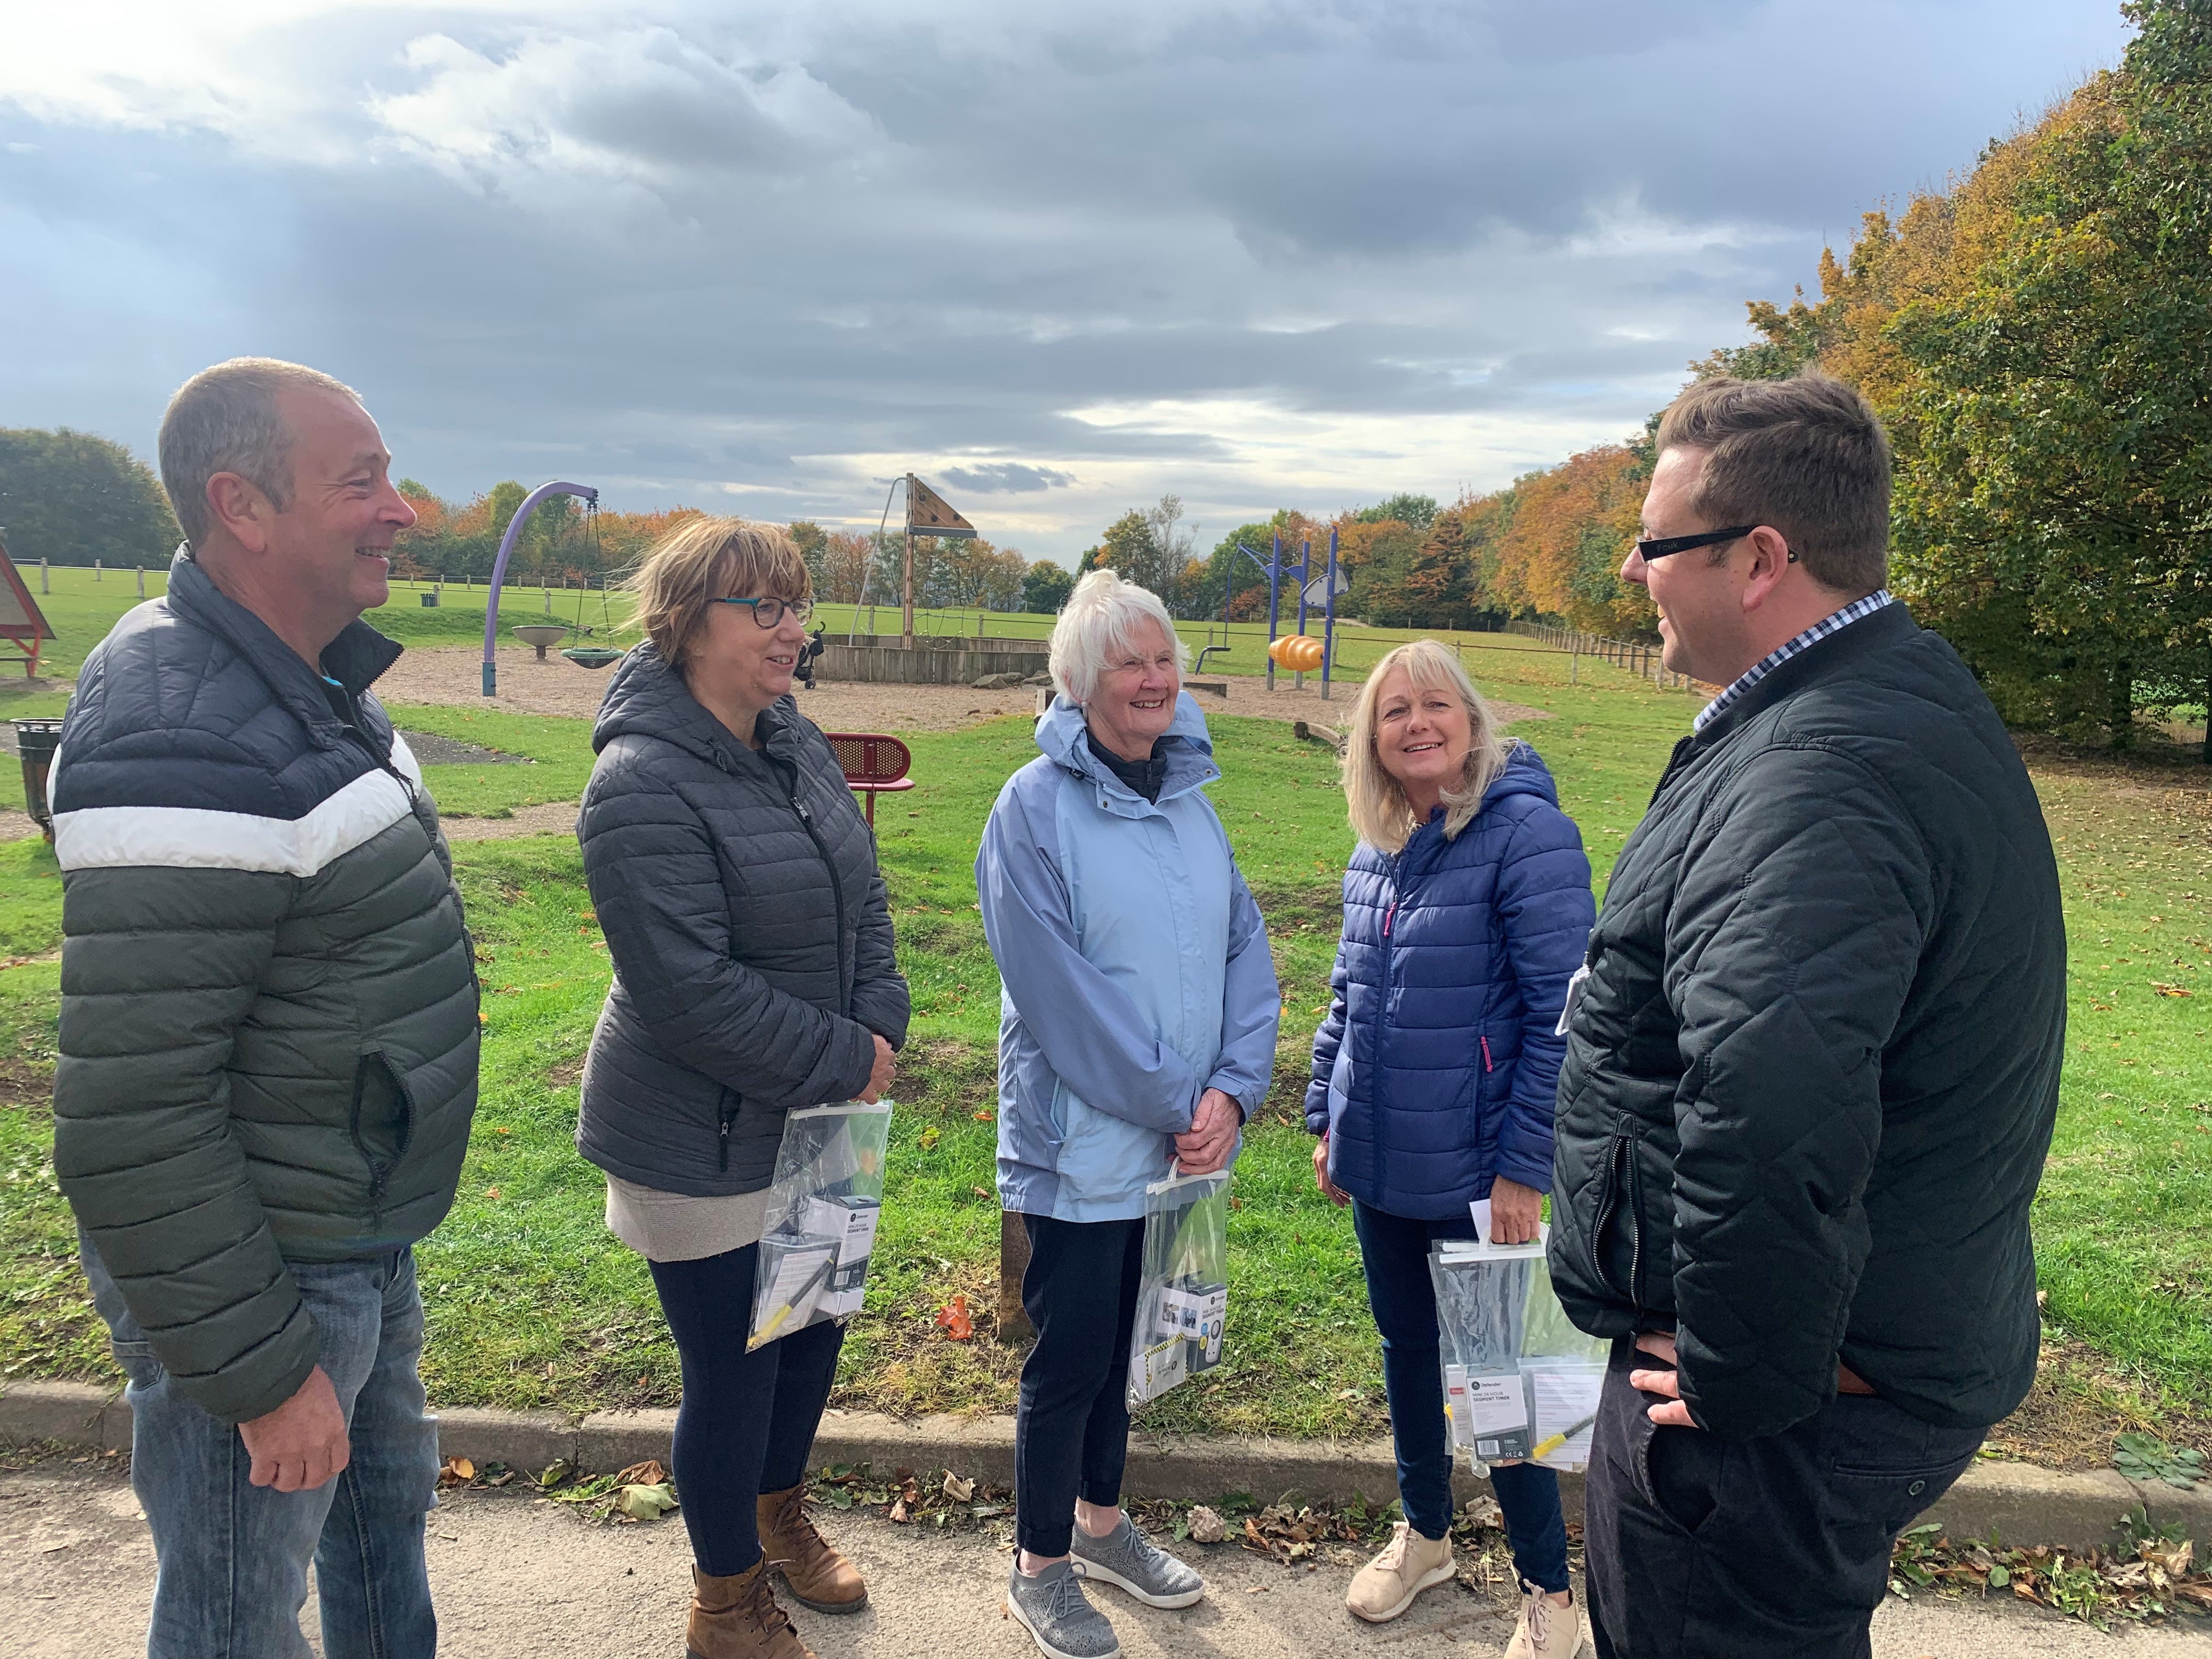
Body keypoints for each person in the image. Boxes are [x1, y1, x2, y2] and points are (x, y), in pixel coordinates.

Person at [1549, 371, 2068, 1658]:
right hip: (1857, 1342)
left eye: (1658, 544)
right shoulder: (1880, 697)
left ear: (1761, 559)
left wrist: (1739, 1381)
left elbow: (1773, 1100)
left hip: (1780, 1407)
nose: (1632, 567)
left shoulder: (1819, 771)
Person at [49, 357, 478, 1658]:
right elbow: (133, 1115)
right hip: (268, 1270)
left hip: (347, 1224)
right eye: (363, 481)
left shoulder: (306, 677)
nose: (401, 509)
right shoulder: (184, 733)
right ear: (242, 506)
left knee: (377, 1529)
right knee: (239, 1614)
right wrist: (259, 1372)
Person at [575, 516, 907, 1659]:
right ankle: (725, 1603)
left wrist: (880, 1028)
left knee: (812, 1330)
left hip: (823, 1107)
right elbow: (689, 994)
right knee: (737, 1369)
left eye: (797, 605)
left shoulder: (794, 740)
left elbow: (862, 896)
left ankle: (778, 1522)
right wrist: (850, 1058)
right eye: (763, 607)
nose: (793, 629)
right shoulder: (638, 782)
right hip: (699, 1131)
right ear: (684, 624)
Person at [976, 568, 1279, 1659]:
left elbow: (1246, 946)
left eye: (1164, 662)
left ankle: (1102, 1525)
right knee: (1071, 1358)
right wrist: (1171, 1099)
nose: (1153, 681)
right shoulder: (1031, 811)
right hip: (1083, 1147)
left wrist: (1233, 1091)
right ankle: (1040, 1565)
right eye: (1128, 663)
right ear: (1077, 680)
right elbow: (1060, 993)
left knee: (1130, 1351)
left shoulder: (1191, 803)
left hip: (1181, 1146)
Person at [1307, 640, 1595, 1658]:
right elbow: (1346, 999)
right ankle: (1425, 1534)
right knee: (1408, 1354)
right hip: (1384, 1165)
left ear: (1471, 723)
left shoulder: (1528, 838)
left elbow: (1567, 1020)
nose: (1417, 724)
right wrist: (1325, 1119)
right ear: (1373, 742)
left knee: (1501, 1380)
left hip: (1480, 1175)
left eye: (1437, 705)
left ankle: (1549, 1592)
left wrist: (1525, 1166)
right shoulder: (1377, 848)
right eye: (1395, 712)